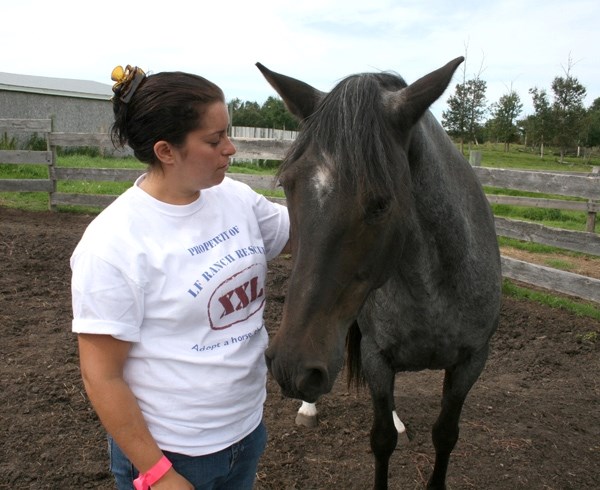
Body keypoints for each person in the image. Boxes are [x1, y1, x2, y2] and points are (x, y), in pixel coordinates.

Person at [71, 65, 290, 489]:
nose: (231, 149)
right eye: (214, 140)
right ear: (166, 151)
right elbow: (101, 375)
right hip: (172, 453)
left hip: (246, 430)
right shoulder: (112, 245)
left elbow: (305, 232)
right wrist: (159, 474)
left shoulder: (234, 198)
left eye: (227, 133)